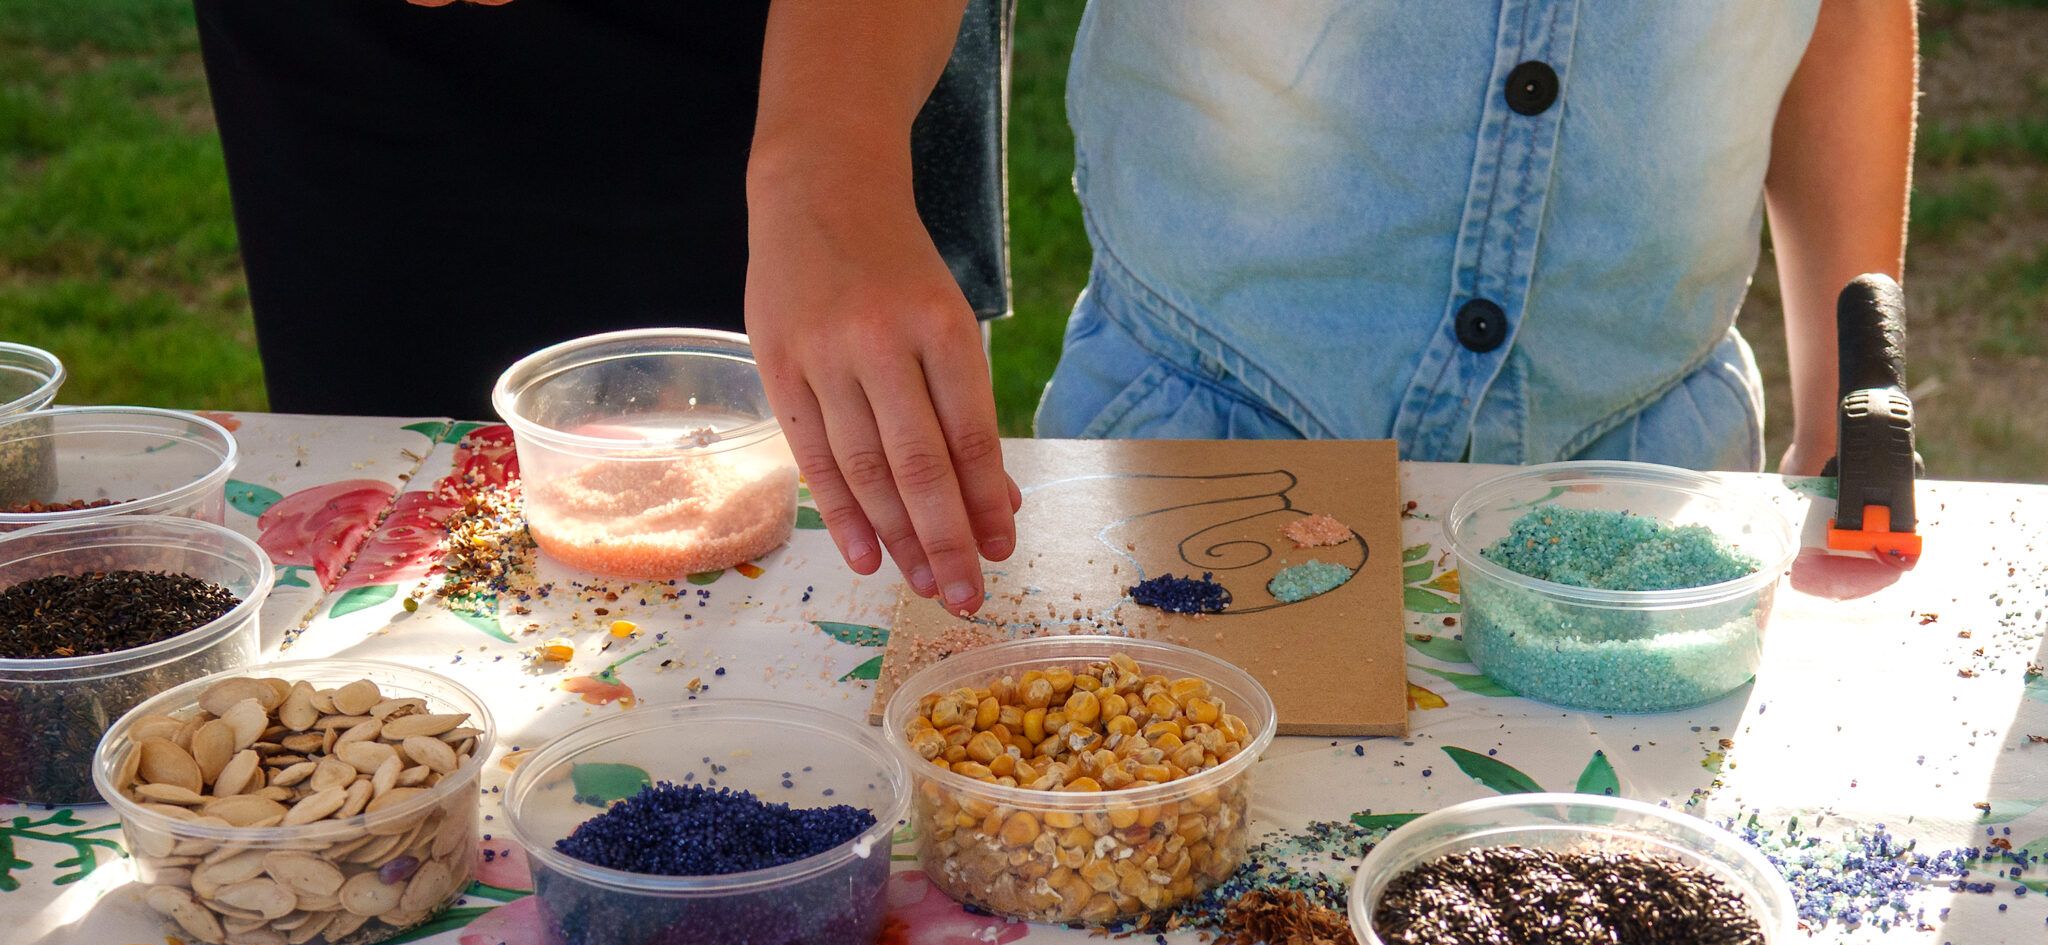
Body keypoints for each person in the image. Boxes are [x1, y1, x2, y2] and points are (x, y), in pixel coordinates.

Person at [746, 0, 1915, 617]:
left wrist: (1850, 384)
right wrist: (820, 170)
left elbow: (1842, 13)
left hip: (1649, 488)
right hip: (1194, 457)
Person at [191, 0, 1012, 417]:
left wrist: (831, 160)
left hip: (826, 54)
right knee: (398, 552)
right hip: (366, 78)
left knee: (833, 566)